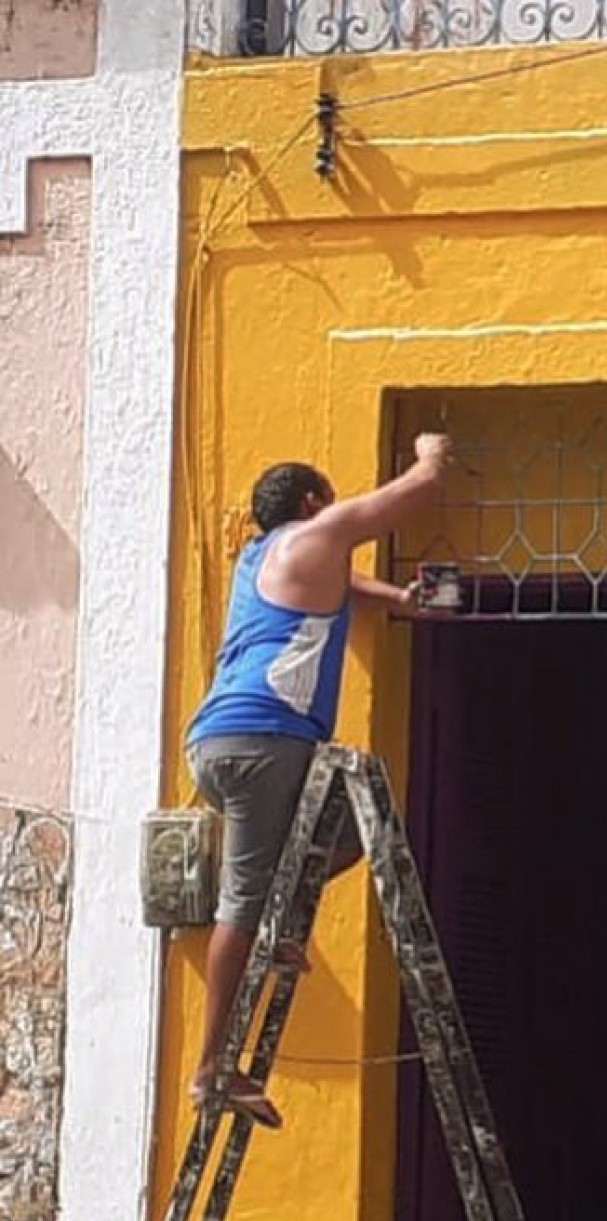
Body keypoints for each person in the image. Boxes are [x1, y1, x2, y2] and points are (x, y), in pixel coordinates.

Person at [183, 434, 455, 1128]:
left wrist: (399, 597)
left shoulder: (263, 557)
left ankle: (280, 924)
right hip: (265, 742)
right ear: (312, 503)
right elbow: (417, 491)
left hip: (221, 741)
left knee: (351, 834)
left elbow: (345, 584)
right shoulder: (318, 531)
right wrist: (431, 450)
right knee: (240, 904)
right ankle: (212, 1069)